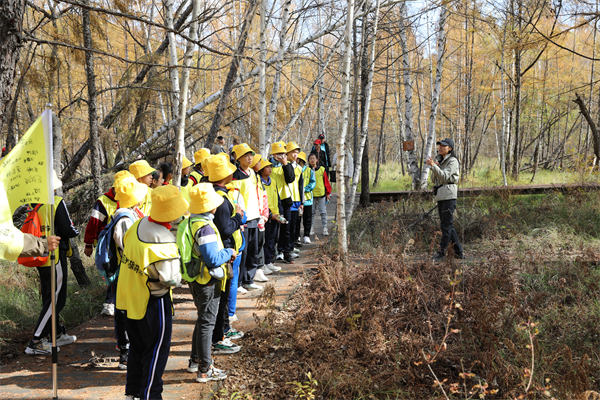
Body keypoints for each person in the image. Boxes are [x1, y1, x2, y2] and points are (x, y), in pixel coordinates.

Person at [116, 185, 186, 400]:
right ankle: (150, 395)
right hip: (153, 301)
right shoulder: (164, 239)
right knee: (156, 350)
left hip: (129, 296)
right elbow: (172, 279)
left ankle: (134, 392)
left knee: (137, 348)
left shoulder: (137, 224)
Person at [185, 183, 237, 383]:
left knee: (202, 320)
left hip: (197, 278)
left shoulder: (193, 221)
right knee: (207, 322)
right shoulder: (205, 228)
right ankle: (205, 369)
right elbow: (213, 259)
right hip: (207, 281)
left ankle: (195, 360)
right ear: (210, 206)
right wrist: (229, 252)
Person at [25, 172, 80, 355]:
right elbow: (67, 229)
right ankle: (36, 341)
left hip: (42, 254)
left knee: (50, 297)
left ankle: (55, 335)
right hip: (55, 255)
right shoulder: (56, 202)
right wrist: (76, 230)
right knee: (56, 299)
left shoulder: (35, 204)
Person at [206, 153, 245, 351]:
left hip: (226, 252)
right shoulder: (220, 199)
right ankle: (219, 337)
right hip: (224, 254)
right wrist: (238, 217)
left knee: (222, 295)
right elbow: (226, 228)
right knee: (221, 297)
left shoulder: (217, 193)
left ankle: (224, 329)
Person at [111, 175, 148, 370]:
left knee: (126, 310)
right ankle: (125, 353)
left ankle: (129, 349)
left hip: (129, 270)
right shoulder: (125, 218)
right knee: (124, 311)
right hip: (126, 271)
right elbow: (127, 246)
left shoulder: (130, 213)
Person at [83, 170, 132, 317]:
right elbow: (94, 223)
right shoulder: (103, 201)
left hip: (125, 245)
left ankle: (121, 302)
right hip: (109, 247)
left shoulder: (131, 198)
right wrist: (88, 244)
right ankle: (110, 304)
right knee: (112, 273)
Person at [425, 138, 464, 261]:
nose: (440, 147)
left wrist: (433, 167)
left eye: (444, 146)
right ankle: (458, 252)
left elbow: (445, 176)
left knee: (446, 226)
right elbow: (434, 180)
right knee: (448, 225)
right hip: (441, 195)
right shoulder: (441, 161)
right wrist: (435, 167)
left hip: (448, 195)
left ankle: (441, 253)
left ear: (450, 148)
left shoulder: (453, 161)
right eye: (439, 145)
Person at [231, 143, 262, 292]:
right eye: (246, 155)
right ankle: (239, 282)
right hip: (244, 219)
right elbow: (235, 198)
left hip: (255, 216)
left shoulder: (253, 173)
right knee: (243, 251)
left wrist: (261, 214)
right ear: (238, 158)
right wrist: (239, 218)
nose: (250, 158)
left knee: (253, 250)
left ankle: (249, 278)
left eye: (251, 155)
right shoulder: (236, 175)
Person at [270, 141, 296, 263]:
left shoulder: (287, 165)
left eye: (283, 154)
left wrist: (285, 164)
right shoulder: (268, 165)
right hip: (273, 201)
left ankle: (286, 251)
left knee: (286, 227)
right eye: (278, 154)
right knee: (274, 229)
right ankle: (273, 253)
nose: (281, 156)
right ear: (274, 155)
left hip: (285, 200)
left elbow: (290, 179)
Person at [257, 158, 283, 273]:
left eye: (270, 167)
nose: (270, 169)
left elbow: (277, 197)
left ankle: (269, 262)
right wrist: (270, 214)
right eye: (267, 167)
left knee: (272, 240)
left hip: (275, 215)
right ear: (261, 170)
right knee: (265, 240)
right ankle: (263, 264)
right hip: (266, 216)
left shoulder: (273, 181)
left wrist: (279, 213)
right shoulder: (258, 182)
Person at [250, 154, 271, 282]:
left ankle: (259, 268)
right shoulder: (251, 176)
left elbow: (263, 196)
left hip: (261, 216)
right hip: (253, 215)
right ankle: (255, 270)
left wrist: (265, 213)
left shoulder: (256, 177)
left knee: (260, 243)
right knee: (255, 245)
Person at [286, 142, 304, 257]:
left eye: (297, 153)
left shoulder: (299, 168)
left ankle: (291, 247)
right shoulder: (283, 166)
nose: (295, 155)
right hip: (287, 199)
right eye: (293, 152)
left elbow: (301, 185)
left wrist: (302, 202)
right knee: (286, 227)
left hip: (296, 200)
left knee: (294, 227)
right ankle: (285, 249)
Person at [309, 153, 332, 236]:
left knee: (323, 212)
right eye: (310, 158)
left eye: (313, 158)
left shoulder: (322, 169)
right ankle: (311, 228)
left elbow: (326, 182)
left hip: (321, 194)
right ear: (309, 160)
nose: (312, 160)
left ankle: (325, 228)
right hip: (311, 195)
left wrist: (328, 193)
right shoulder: (308, 170)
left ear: (317, 160)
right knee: (311, 212)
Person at [296, 152, 315, 244]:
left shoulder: (309, 170)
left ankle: (306, 235)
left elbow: (313, 182)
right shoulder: (295, 170)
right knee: (297, 219)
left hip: (307, 199)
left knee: (307, 218)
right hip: (297, 199)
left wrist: (305, 189)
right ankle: (297, 236)